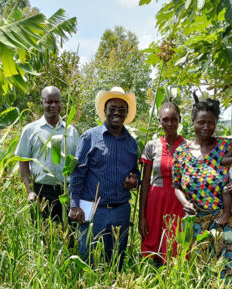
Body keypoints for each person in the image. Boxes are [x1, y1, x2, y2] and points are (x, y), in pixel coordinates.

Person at [172, 97, 232, 273]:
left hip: (229, 219)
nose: (206, 127)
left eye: (210, 123)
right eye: (201, 122)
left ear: (216, 123)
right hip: (198, 220)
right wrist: (184, 203)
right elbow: (176, 185)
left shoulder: (227, 146)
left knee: (229, 270)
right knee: (203, 270)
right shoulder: (181, 152)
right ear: (192, 122)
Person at [69, 87, 140, 268]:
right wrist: (74, 204)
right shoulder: (89, 137)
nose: (116, 112)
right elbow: (77, 174)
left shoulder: (131, 143)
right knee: (88, 258)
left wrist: (134, 182)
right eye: (112, 109)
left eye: (121, 110)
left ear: (126, 114)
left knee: (116, 259)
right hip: (92, 209)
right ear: (105, 112)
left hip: (120, 210)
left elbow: (135, 174)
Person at [16, 86, 79, 222]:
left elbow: (76, 164)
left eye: (57, 102)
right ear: (41, 103)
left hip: (67, 193)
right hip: (41, 193)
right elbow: (23, 161)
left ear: (62, 103)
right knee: (43, 238)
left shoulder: (71, 131)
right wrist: (30, 191)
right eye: (49, 102)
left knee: (68, 238)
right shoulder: (30, 130)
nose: (53, 105)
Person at [139, 101, 186, 263]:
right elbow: (145, 182)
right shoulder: (152, 146)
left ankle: (173, 282)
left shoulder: (188, 147)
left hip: (178, 201)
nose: (169, 123)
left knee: (175, 243)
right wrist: (141, 216)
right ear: (159, 121)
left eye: (174, 119)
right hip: (155, 201)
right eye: (165, 119)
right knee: (153, 243)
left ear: (180, 119)